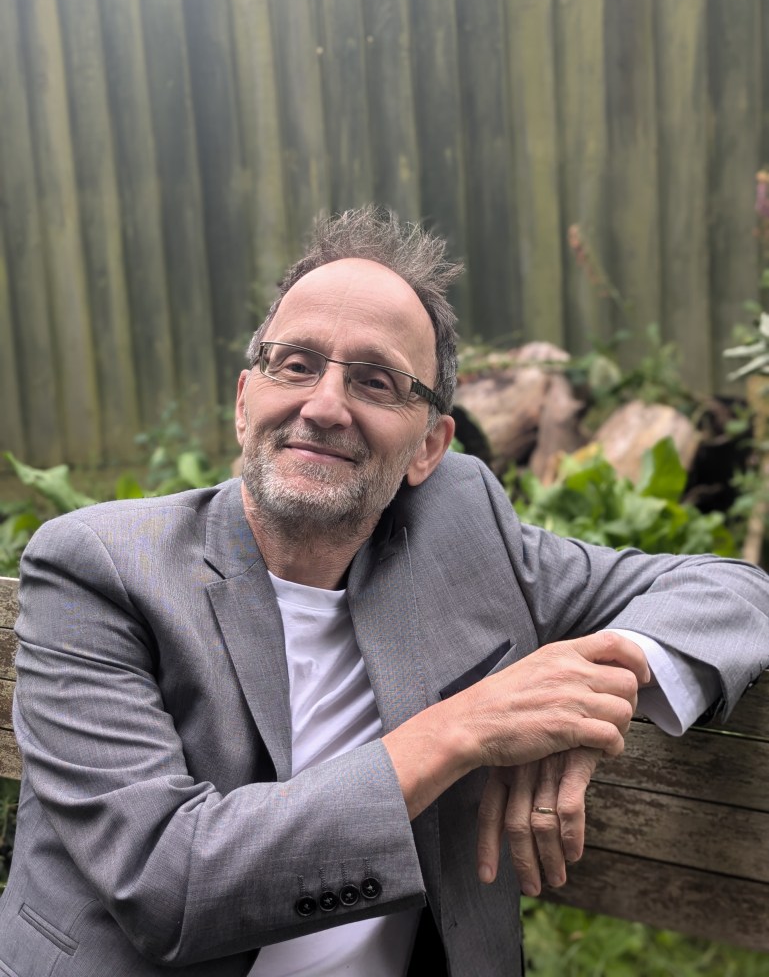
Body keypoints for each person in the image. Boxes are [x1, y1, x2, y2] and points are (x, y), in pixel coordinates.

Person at [2, 206, 768, 977]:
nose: (323, 406)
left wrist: (596, 681)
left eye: (375, 381)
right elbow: (171, 883)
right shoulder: (100, 568)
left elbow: (731, 591)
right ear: (243, 402)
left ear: (429, 446)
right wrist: (464, 729)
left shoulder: (460, 537)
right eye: (294, 364)